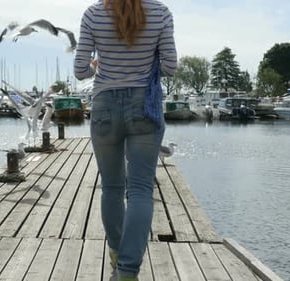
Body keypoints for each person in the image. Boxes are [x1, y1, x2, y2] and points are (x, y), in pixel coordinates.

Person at [74, 0, 177, 280]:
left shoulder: (93, 14)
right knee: (141, 190)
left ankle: (117, 254)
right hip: (145, 105)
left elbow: (81, 70)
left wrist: (100, 64)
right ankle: (128, 271)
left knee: (111, 187)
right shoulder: (160, 12)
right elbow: (170, 66)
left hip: (105, 104)